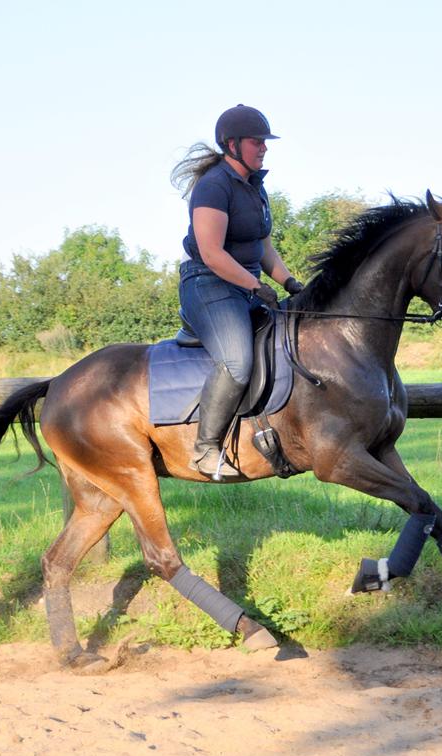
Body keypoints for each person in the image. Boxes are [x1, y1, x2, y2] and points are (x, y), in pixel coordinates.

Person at [171, 105, 304, 480]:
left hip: (245, 285)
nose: (264, 148)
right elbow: (212, 253)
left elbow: (262, 247)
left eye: (264, 142)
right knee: (236, 362)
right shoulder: (214, 186)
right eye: (256, 142)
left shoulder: (255, 187)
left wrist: (290, 283)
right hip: (209, 284)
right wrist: (256, 286)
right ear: (232, 144)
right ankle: (204, 450)